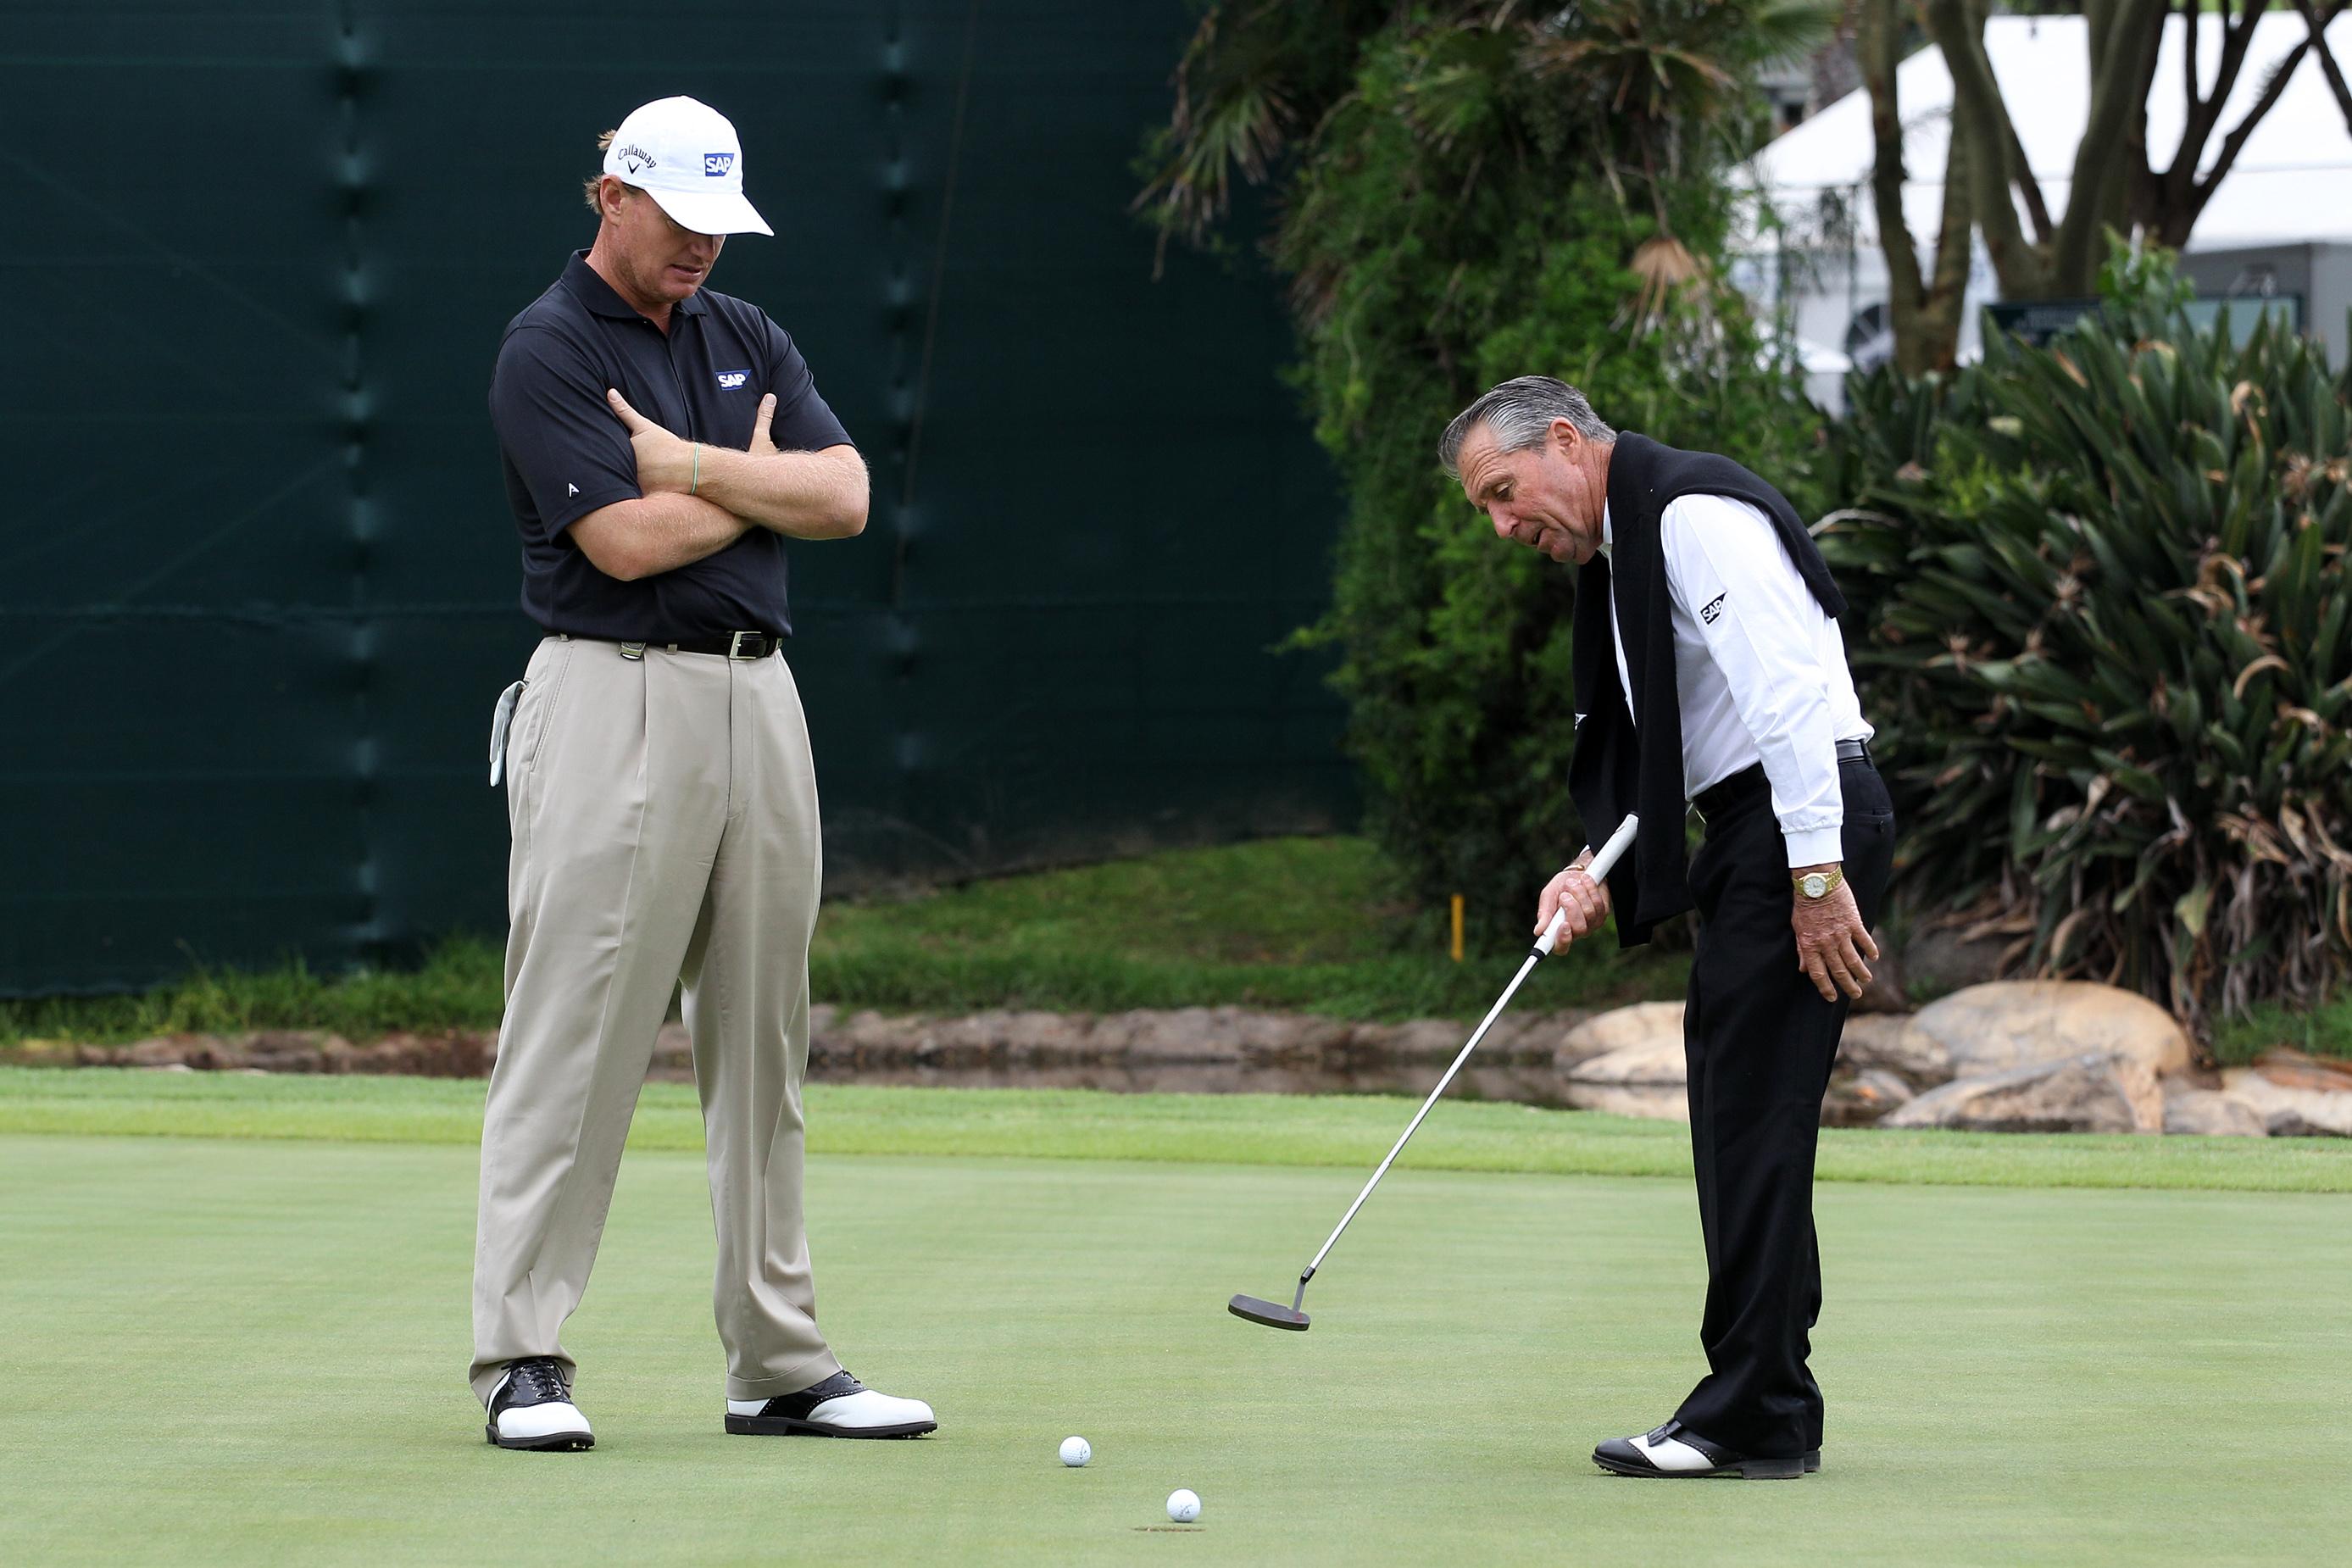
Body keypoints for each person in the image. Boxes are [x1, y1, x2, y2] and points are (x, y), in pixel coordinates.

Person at [470, 94, 933, 1451]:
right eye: (680, 221)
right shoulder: (545, 346)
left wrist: (695, 469)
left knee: (763, 1037)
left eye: (721, 227)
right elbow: (619, 542)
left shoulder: (748, 332)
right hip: (612, 693)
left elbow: (845, 496)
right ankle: (521, 1355)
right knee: (578, 1034)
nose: (703, 250)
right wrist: (751, 477)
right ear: (612, 193)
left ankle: (777, 1361)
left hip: (759, 696)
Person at [1441, 375, 1895, 1480]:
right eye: (1487, 510)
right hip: (1766, 826)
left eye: (1505, 491)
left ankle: (1756, 1409)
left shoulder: (1690, 517)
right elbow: (1691, 742)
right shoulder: (1633, 543)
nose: (1505, 524)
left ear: (1563, 441)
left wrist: (1817, 875)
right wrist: (1591, 866)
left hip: (1797, 822)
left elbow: (1787, 699)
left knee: (1751, 1109)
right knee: (1741, 1103)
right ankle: (1769, 1377)